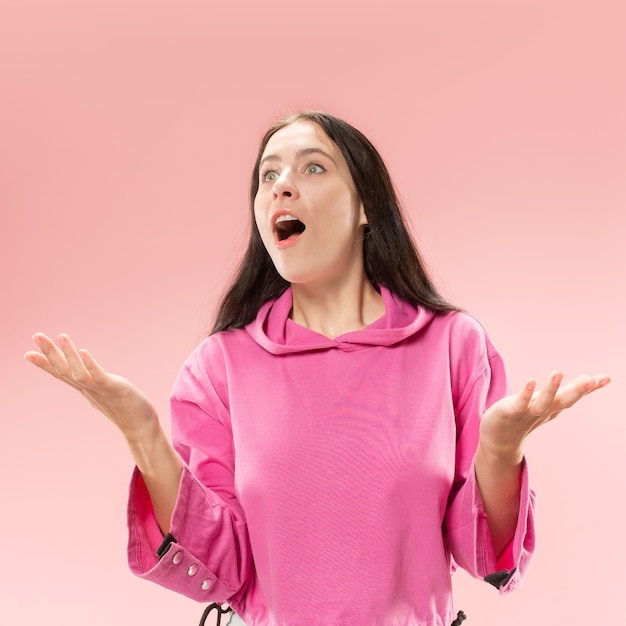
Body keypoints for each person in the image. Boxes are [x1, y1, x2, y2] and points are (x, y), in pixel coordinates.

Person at [25, 111, 610, 626]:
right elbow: (223, 568)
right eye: (268, 175)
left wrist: (499, 451)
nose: (281, 187)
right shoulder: (218, 367)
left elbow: (479, 551)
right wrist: (142, 433)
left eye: (312, 168)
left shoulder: (452, 345)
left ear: (365, 208)